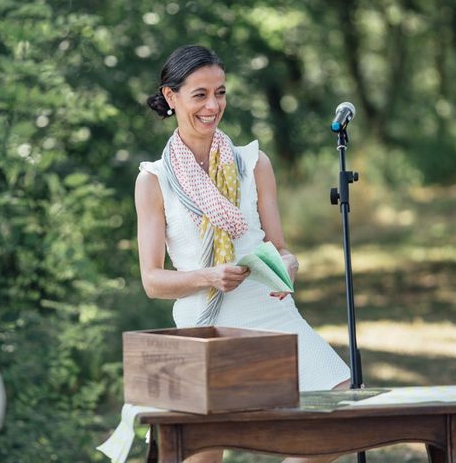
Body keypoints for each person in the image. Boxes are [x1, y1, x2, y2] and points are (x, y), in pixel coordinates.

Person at [137, 45, 350, 463]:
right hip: (206, 325)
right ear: (170, 97)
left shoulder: (253, 163)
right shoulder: (154, 180)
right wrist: (209, 277)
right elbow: (152, 281)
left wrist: (287, 265)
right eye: (199, 94)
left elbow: (280, 247)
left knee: (336, 412)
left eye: (220, 92)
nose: (213, 105)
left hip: (271, 314)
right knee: (203, 452)